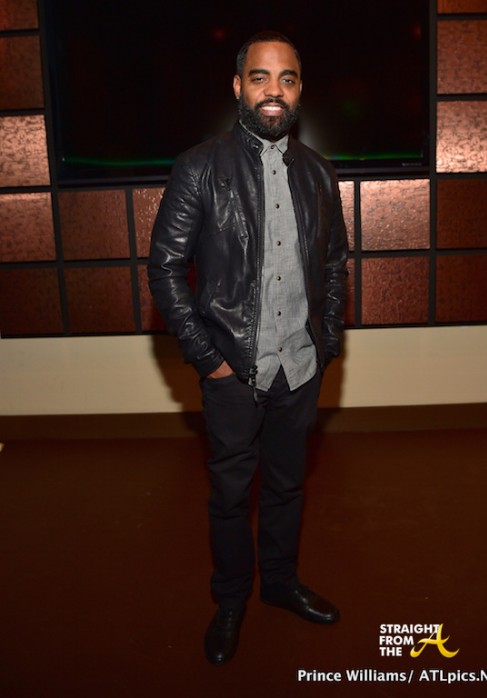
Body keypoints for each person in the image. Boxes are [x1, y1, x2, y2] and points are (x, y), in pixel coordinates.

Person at [148, 30, 348, 665]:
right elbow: (165, 270)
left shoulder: (319, 172)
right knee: (232, 497)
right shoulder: (199, 167)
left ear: (299, 90)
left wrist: (327, 342)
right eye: (260, 77)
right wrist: (210, 361)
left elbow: (335, 266)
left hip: (301, 367)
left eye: (287, 78)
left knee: (287, 488)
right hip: (232, 371)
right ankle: (231, 599)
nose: (273, 91)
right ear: (238, 86)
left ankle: (281, 584)